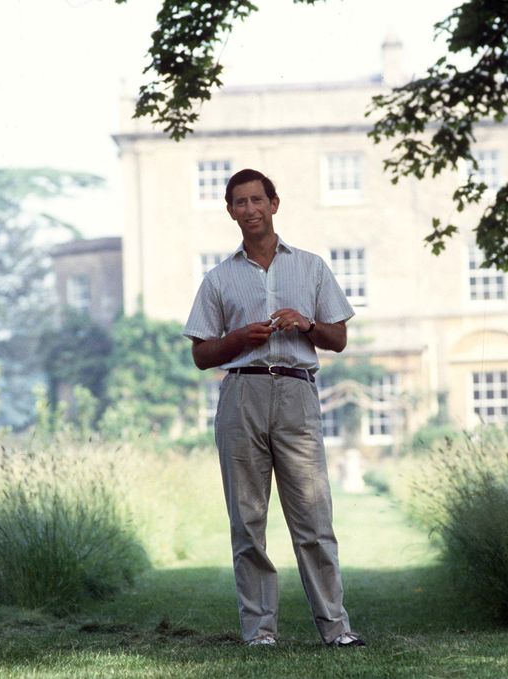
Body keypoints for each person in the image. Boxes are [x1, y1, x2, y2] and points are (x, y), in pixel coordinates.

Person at [184, 168, 365, 648]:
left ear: (274, 204)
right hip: (241, 394)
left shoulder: (310, 267)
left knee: (313, 516)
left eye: (257, 200)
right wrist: (239, 338)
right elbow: (201, 355)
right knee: (248, 521)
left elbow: (339, 339)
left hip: (296, 393)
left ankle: (335, 628)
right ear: (230, 211)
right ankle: (260, 631)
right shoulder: (218, 278)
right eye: (239, 202)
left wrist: (305, 324)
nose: (250, 210)